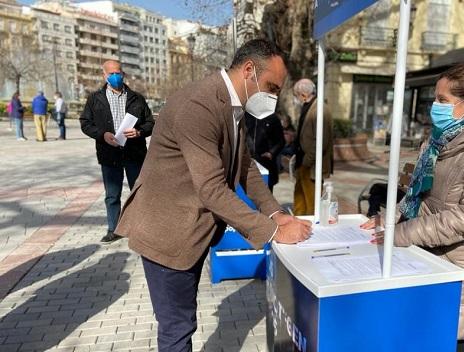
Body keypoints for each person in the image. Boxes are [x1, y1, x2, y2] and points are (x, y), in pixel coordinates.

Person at [114, 39, 312, 352]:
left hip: (189, 230)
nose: (273, 97)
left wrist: (276, 213)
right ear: (249, 70)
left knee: (182, 321)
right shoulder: (199, 105)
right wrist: (274, 232)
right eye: (272, 87)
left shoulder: (233, 105)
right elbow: (212, 188)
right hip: (166, 233)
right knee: (177, 329)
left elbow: (245, 167)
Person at [361, 64, 464, 352]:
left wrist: (401, 233)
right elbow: (416, 196)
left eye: (443, 100)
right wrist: (387, 220)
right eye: (435, 99)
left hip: (461, 273)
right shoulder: (439, 140)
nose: (435, 106)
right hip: (431, 261)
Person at [80, 60, 155, 244]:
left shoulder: (136, 98)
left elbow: (150, 123)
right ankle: (113, 229)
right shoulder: (95, 98)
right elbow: (85, 123)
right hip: (109, 153)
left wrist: (139, 132)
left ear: (123, 74)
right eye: (111, 73)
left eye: (118, 72)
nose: (115, 76)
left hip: (134, 152)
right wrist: (102, 134)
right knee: (112, 195)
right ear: (104, 75)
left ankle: (141, 228)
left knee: (138, 192)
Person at [292, 78, 333, 216]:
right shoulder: (309, 106)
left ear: (303, 94)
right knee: (300, 199)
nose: (296, 99)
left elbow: (322, 140)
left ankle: (310, 229)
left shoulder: (320, 109)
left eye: (296, 95)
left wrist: (307, 162)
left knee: (311, 204)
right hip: (303, 162)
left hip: (311, 165)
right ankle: (298, 221)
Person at [244, 111, 285, 192]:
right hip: (247, 163)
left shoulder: (272, 118)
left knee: (266, 194)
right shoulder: (245, 116)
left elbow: (280, 141)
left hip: (266, 163)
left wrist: (271, 153)